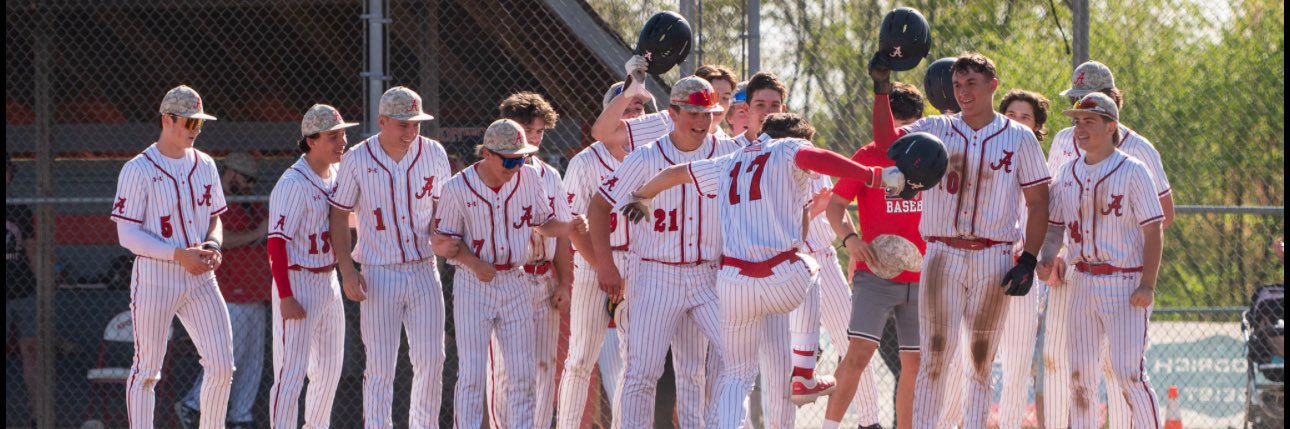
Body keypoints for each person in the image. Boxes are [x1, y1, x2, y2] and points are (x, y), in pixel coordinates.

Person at [616, 112, 935, 428]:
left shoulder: (731, 160)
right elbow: (818, 157)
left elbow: (676, 172)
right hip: (782, 276)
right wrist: (876, 177)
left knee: (737, 374)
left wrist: (643, 195)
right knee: (813, 267)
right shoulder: (788, 148)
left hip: (734, 284)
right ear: (796, 139)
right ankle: (805, 374)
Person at [868, 53, 1053, 429]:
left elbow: (1038, 201)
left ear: (992, 86)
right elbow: (885, 142)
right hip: (942, 253)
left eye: (972, 83)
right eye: (957, 84)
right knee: (934, 357)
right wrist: (881, 88)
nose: (964, 91)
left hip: (994, 257)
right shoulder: (937, 126)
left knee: (980, 362)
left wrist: (1029, 260)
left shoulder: (1019, 138)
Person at [588, 74, 740, 428]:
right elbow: (598, 206)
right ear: (672, 113)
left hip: (708, 274)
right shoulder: (646, 157)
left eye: (708, 114)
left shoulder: (730, 153)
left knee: (731, 359)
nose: (702, 122)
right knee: (643, 372)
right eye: (694, 114)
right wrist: (606, 266)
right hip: (656, 273)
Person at [1042, 61, 1175, 429]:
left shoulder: (1135, 163)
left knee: (1127, 374)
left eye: (1090, 115)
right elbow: (1055, 222)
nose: (1080, 124)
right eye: (1076, 115)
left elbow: (1157, 224)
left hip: (1124, 278)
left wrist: (1147, 281)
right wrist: (1047, 257)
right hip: (1079, 277)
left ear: (1111, 120)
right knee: (1077, 376)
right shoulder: (1067, 162)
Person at [432, 119, 586, 428]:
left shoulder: (529, 177)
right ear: (487, 154)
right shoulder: (457, 187)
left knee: (523, 375)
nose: (518, 164)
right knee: (473, 376)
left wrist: (568, 227)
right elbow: (444, 242)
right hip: (474, 283)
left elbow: (543, 223)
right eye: (510, 158)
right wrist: (473, 262)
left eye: (522, 156)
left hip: (516, 279)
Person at [328, 86, 452, 428]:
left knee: (431, 359)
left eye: (416, 123)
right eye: (403, 124)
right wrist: (348, 271)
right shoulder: (357, 157)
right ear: (382, 121)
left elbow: (443, 207)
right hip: (378, 271)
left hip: (424, 268)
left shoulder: (434, 153)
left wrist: (443, 233)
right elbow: (338, 215)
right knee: (381, 365)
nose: (411, 131)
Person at [111, 85, 234, 429]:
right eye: (189, 122)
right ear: (167, 119)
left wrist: (213, 244)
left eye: (199, 123)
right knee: (147, 369)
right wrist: (177, 253)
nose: (195, 129)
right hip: (156, 275)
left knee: (222, 364)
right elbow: (127, 234)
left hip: (200, 275)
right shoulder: (138, 168)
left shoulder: (206, 164)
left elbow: (215, 217)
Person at [823, 82, 930, 429]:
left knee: (914, 364)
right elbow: (836, 205)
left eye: (906, 127)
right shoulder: (868, 155)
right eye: (892, 126)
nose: (897, 135)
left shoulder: (931, 154)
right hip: (877, 273)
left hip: (923, 276)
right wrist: (851, 240)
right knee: (857, 356)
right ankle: (829, 425)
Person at [556, 81, 653, 428]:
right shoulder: (585, 162)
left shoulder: (654, 156)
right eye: (626, 109)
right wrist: (603, 266)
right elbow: (572, 225)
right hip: (594, 263)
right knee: (580, 358)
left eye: (639, 109)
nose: (634, 115)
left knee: (636, 361)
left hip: (641, 265)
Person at [265, 104, 356, 428]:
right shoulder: (293, 183)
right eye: (333, 136)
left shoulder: (338, 175)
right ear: (311, 140)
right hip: (298, 279)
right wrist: (286, 296)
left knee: (329, 372)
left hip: (328, 279)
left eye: (343, 134)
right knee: (290, 374)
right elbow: (276, 243)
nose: (341, 141)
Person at [490, 92, 574, 428]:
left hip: (543, 277)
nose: (535, 136)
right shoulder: (491, 173)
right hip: (508, 278)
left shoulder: (550, 175)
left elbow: (563, 234)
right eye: (528, 128)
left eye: (540, 130)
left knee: (543, 366)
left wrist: (566, 282)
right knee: (505, 370)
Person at [175, 152, 269, 429]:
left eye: (253, 180)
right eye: (246, 178)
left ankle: (241, 416)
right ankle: (193, 404)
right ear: (230, 173)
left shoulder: (250, 204)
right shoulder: (215, 204)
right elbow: (219, 241)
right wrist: (257, 233)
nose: (251, 185)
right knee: (227, 357)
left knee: (253, 361)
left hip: (256, 293)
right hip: (229, 293)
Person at [994, 89, 1052, 429]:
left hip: (1022, 271)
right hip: (982, 265)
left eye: (1024, 117)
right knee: (971, 364)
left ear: (1037, 127)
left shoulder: (1041, 170)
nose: (1015, 122)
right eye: (1010, 115)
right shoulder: (984, 156)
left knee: (1015, 369)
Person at [6, 153, 45, 427]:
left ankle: (38, 417)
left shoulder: (20, 209)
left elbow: (31, 249)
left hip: (23, 290)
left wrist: (42, 283)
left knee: (30, 351)